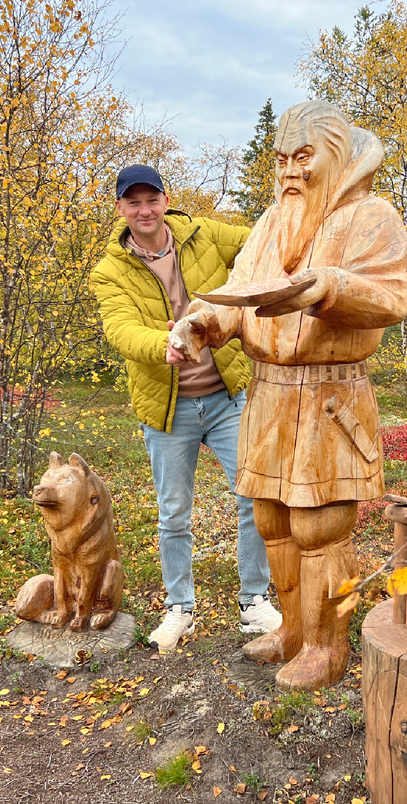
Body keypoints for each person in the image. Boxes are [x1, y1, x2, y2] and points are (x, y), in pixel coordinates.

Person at [168, 102, 407, 689]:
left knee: (321, 527)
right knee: (272, 518)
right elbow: (239, 292)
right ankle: (293, 632)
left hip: (330, 398)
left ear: (336, 158)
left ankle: (327, 646)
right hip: (270, 396)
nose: (290, 172)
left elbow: (391, 297)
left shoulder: (371, 217)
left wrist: (329, 285)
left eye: (304, 157)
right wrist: (200, 324)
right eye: (281, 160)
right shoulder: (271, 222)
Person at [92, 164, 281, 651]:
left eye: (150, 199)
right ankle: (180, 608)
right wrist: (164, 345)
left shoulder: (204, 236)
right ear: (120, 209)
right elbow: (120, 329)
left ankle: (254, 601)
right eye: (133, 202)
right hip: (168, 410)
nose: (144, 210)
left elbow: (264, 236)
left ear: (164, 199)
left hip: (227, 396)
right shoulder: (110, 270)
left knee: (253, 497)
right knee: (174, 513)